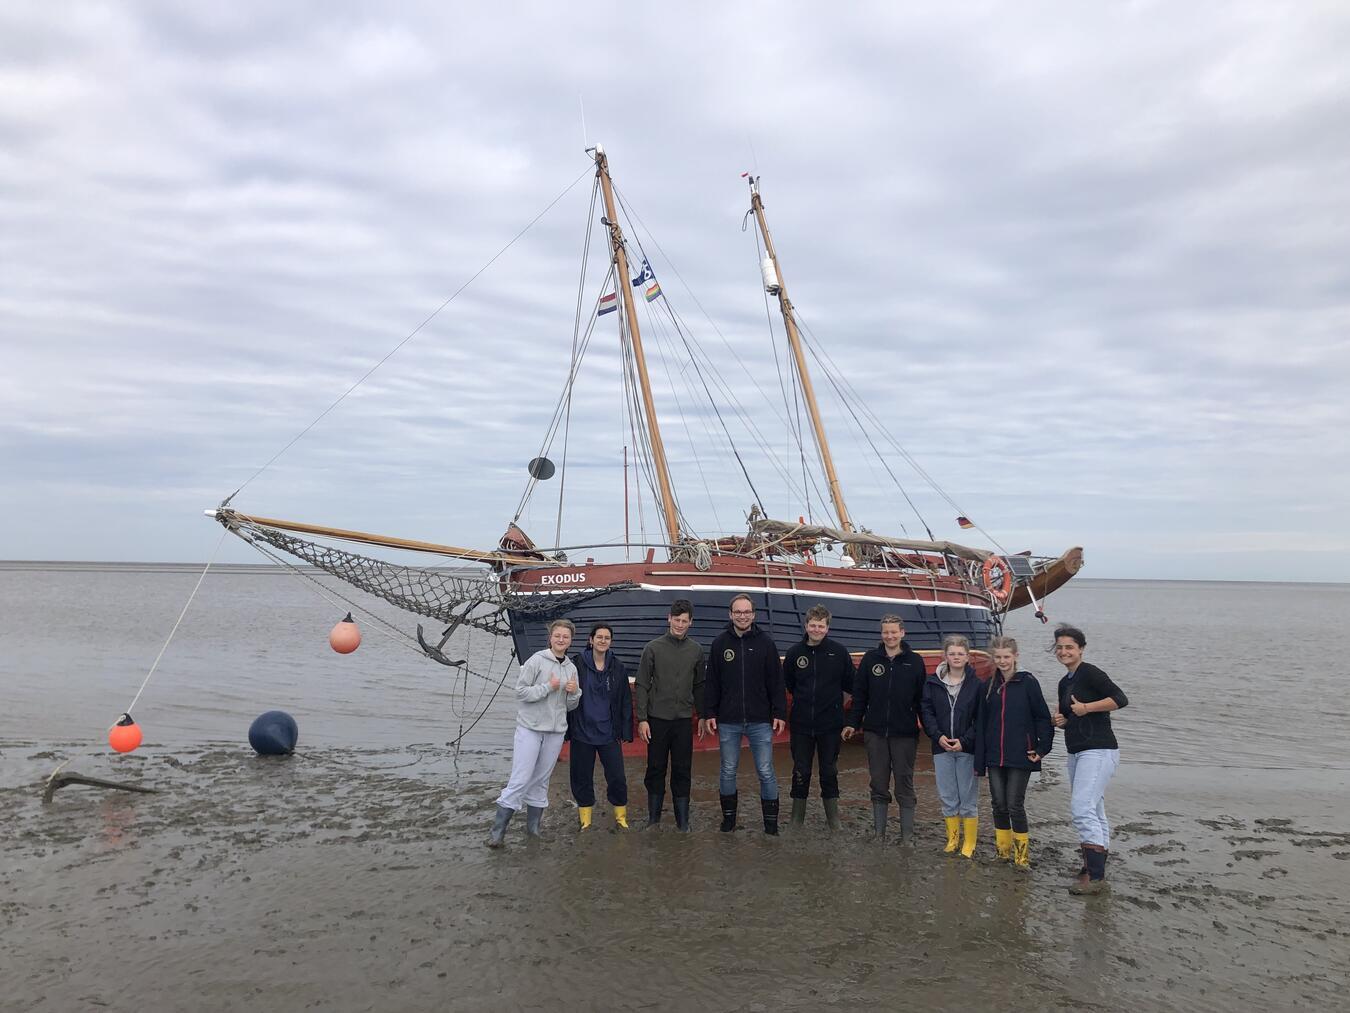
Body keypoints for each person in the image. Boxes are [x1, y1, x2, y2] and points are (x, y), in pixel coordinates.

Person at [486, 618, 581, 847]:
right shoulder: (536, 661)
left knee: (541, 781)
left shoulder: (571, 668)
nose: (561, 640)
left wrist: (575, 692)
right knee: (520, 778)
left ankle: (533, 830)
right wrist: (548, 687)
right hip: (530, 728)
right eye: (557, 635)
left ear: (570, 641)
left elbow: (570, 706)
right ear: (550, 637)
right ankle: (497, 832)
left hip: (556, 732)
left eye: (565, 637)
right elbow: (520, 693)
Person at [1050, 625, 1129, 894]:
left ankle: (1095, 878)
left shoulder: (1091, 673)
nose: (1064, 651)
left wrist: (1086, 708)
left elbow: (1120, 699)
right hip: (1076, 750)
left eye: (1069, 647)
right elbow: (1070, 717)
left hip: (1099, 749)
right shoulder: (1065, 682)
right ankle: (1095, 866)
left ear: (1081, 649)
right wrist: (1061, 721)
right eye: (1059, 647)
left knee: (1082, 806)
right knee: (1094, 809)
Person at [703, 594, 787, 834]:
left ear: (753, 614)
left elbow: (776, 681)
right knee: (728, 770)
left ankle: (770, 825)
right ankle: (728, 820)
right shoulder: (720, 644)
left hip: (760, 719)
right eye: (737, 612)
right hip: (728, 720)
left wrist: (779, 712)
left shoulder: (766, 644)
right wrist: (710, 712)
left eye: (746, 612)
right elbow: (713, 682)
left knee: (766, 770)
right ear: (730, 614)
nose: (742, 616)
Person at [843, 614, 926, 844]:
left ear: (902, 633)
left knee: (904, 783)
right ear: (881, 634)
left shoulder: (915, 661)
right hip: (875, 733)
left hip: (905, 734)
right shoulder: (870, 660)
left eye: (893, 632)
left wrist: (931, 730)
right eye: (885, 632)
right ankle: (879, 834)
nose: (889, 636)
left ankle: (906, 836)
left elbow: (922, 700)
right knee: (878, 783)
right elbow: (860, 696)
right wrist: (852, 722)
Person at [973, 636, 1054, 868]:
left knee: (1014, 804)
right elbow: (981, 723)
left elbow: (1042, 717)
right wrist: (980, 757)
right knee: (998, 804)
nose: (1002, 661)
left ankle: (1021, 857)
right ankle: (1003, 852)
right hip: (995, 755)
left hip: (1022, 754)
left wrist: (1042, 749)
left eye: (1006, 657)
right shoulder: (988, 685)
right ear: (992, 658)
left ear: (1015, 656)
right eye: (997, 657)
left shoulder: (1028, 682)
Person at [635, 599, 705, 832]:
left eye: (684, 621)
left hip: (683, 720)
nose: (680, 625)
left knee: (683, 769)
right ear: (669, 619)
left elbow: (700, 685)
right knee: (655, 768)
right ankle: (653, 819)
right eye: (677, 620)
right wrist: (642, 718)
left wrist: (703, 715)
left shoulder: (696, 650)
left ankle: (682, 823)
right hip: (657, 720)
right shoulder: (652, 648)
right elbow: (643, 685)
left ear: (691, 623)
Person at [782, 604, 853, 830]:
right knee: (800, 770)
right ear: (806, 626)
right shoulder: (795, 653)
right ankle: (796, 818)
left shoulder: (839, 653)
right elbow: (789, 684)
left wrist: (848, 718)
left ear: (827, 628)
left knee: (829, 770)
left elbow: (852, 685)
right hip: (802, 724)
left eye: (821, 626)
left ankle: (833, 820)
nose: (816, 630)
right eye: (812, 625)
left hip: (830, 725)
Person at [920, 634, 983, 857]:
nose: (956, 657)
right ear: (944, 656)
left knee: (967, 797)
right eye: (952, 653)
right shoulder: (932, 682)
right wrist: (938, 736)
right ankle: (953, 840)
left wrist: (964, 740)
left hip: (967, 748)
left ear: (968, 657)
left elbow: (980, 718)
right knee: (947, 795)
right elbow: (926, 712)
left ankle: (969, 844)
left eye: (961, 654)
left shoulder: (977, 685)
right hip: (941, 747)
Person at [566, 622, 633, 830]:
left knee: (617, 778)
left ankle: (621, 817)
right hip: (582, 731)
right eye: (599, 637)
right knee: (581, 777)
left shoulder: (618, 667)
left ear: (610, 642)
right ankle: (585, 819)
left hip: (608, 733)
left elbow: (624, 700)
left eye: (607, 638)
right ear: (591, 640)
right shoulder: (575, 664)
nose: (603, 641)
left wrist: (626, 729)